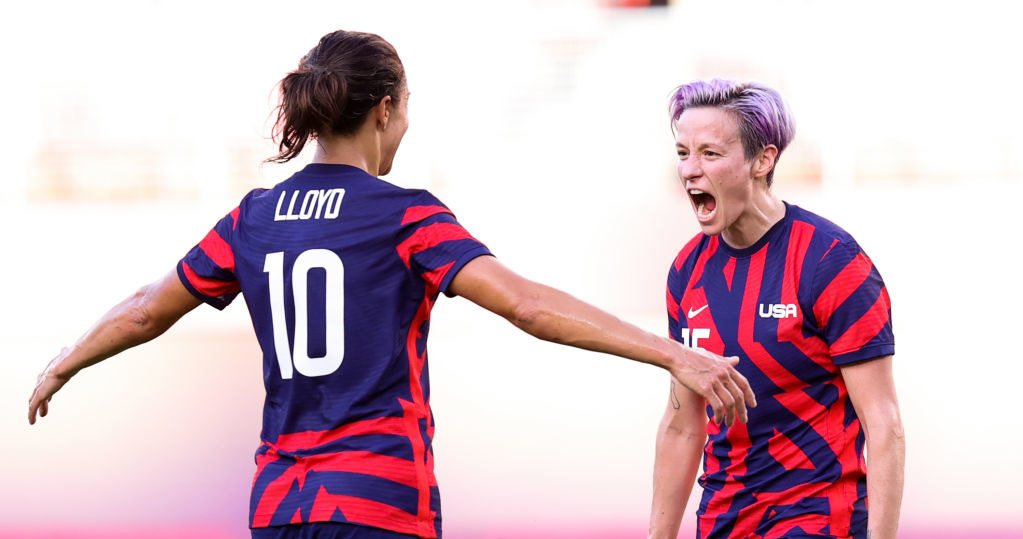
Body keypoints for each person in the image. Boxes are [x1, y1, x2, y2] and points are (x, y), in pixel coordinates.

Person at [27, 31, 756, 539]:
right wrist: (673, 353)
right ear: (384, 110)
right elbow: (528, 305)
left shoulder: (253, 217)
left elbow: (148, 309)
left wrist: (67, 358)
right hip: (378, 502)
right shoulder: (403, 216)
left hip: (279, 507)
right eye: (404, 110)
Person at [647, 80, 904, 539]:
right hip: (724, 519)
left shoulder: (830, 261)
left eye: (709, 153)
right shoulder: (686, 273)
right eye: (683, 152)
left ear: (763, 160)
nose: (689, 170)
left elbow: (883, 424)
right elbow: (683, 424)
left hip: (819, 517)